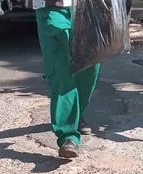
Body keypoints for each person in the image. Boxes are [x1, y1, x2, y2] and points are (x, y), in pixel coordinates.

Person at [31, 0, 100, 159]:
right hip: (52, 8)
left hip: (89, 10)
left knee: (90, 67)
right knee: (60, 70)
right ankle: (68, 136)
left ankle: (76, 114)